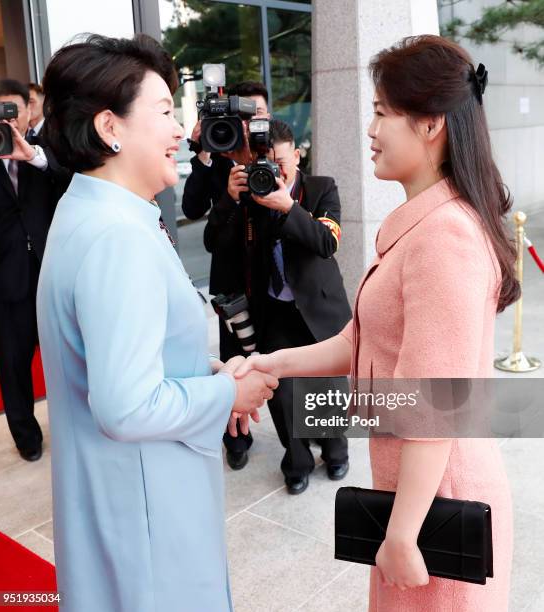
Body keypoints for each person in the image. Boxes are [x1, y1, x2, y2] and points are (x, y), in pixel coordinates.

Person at [235, 35, 516, 610]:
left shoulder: (446, 238)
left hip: (439, 508)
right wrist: (268, 362)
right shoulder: (422, 222)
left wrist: (402, 534)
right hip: (415, 500)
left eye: (383, 113)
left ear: (431, 123)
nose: (370, 130)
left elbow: (434, 405)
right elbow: (358, 340)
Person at [37, 34, 277, 612]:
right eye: (165, 111)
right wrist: (226, 391)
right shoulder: (117, 237)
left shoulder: (92, 211)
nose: (180, 131)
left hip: (119, 500)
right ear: (109, 128)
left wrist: (212, 378)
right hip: (148, 517)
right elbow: (125, 406)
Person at [205, 119, 351, 494]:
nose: (274, 171)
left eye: (281, 163)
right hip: (275, 311)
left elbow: (326, 241)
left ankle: (336, 452)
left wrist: (288, 208)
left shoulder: (322, 188)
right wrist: (230, 199)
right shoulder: (253, 196)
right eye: (266, 163)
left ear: (297, 156)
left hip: (319, 310)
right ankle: (297, 461)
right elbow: (215, 242)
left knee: (329, 389)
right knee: (283, 396)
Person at [182, 81, 271, 470]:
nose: (250, 126)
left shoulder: (278, 153)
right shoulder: (216, 154)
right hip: (231, 278)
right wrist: (203, 151)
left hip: (275, 279)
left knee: (292, 356)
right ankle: (236, 439)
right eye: (244, 118)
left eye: (259, 116)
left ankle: (321, 440)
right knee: (234, 359)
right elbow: (190, 206)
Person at [0, 79, 60, 461]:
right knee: (13, 363)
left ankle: (73, 426)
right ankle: (26, 437)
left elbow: (68, 178)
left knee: (64, 358)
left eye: (12, 110)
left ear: (28, 110)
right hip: (5, 281)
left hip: (51, 273)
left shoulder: (45, 151)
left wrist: (31, 155)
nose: (7, 118)